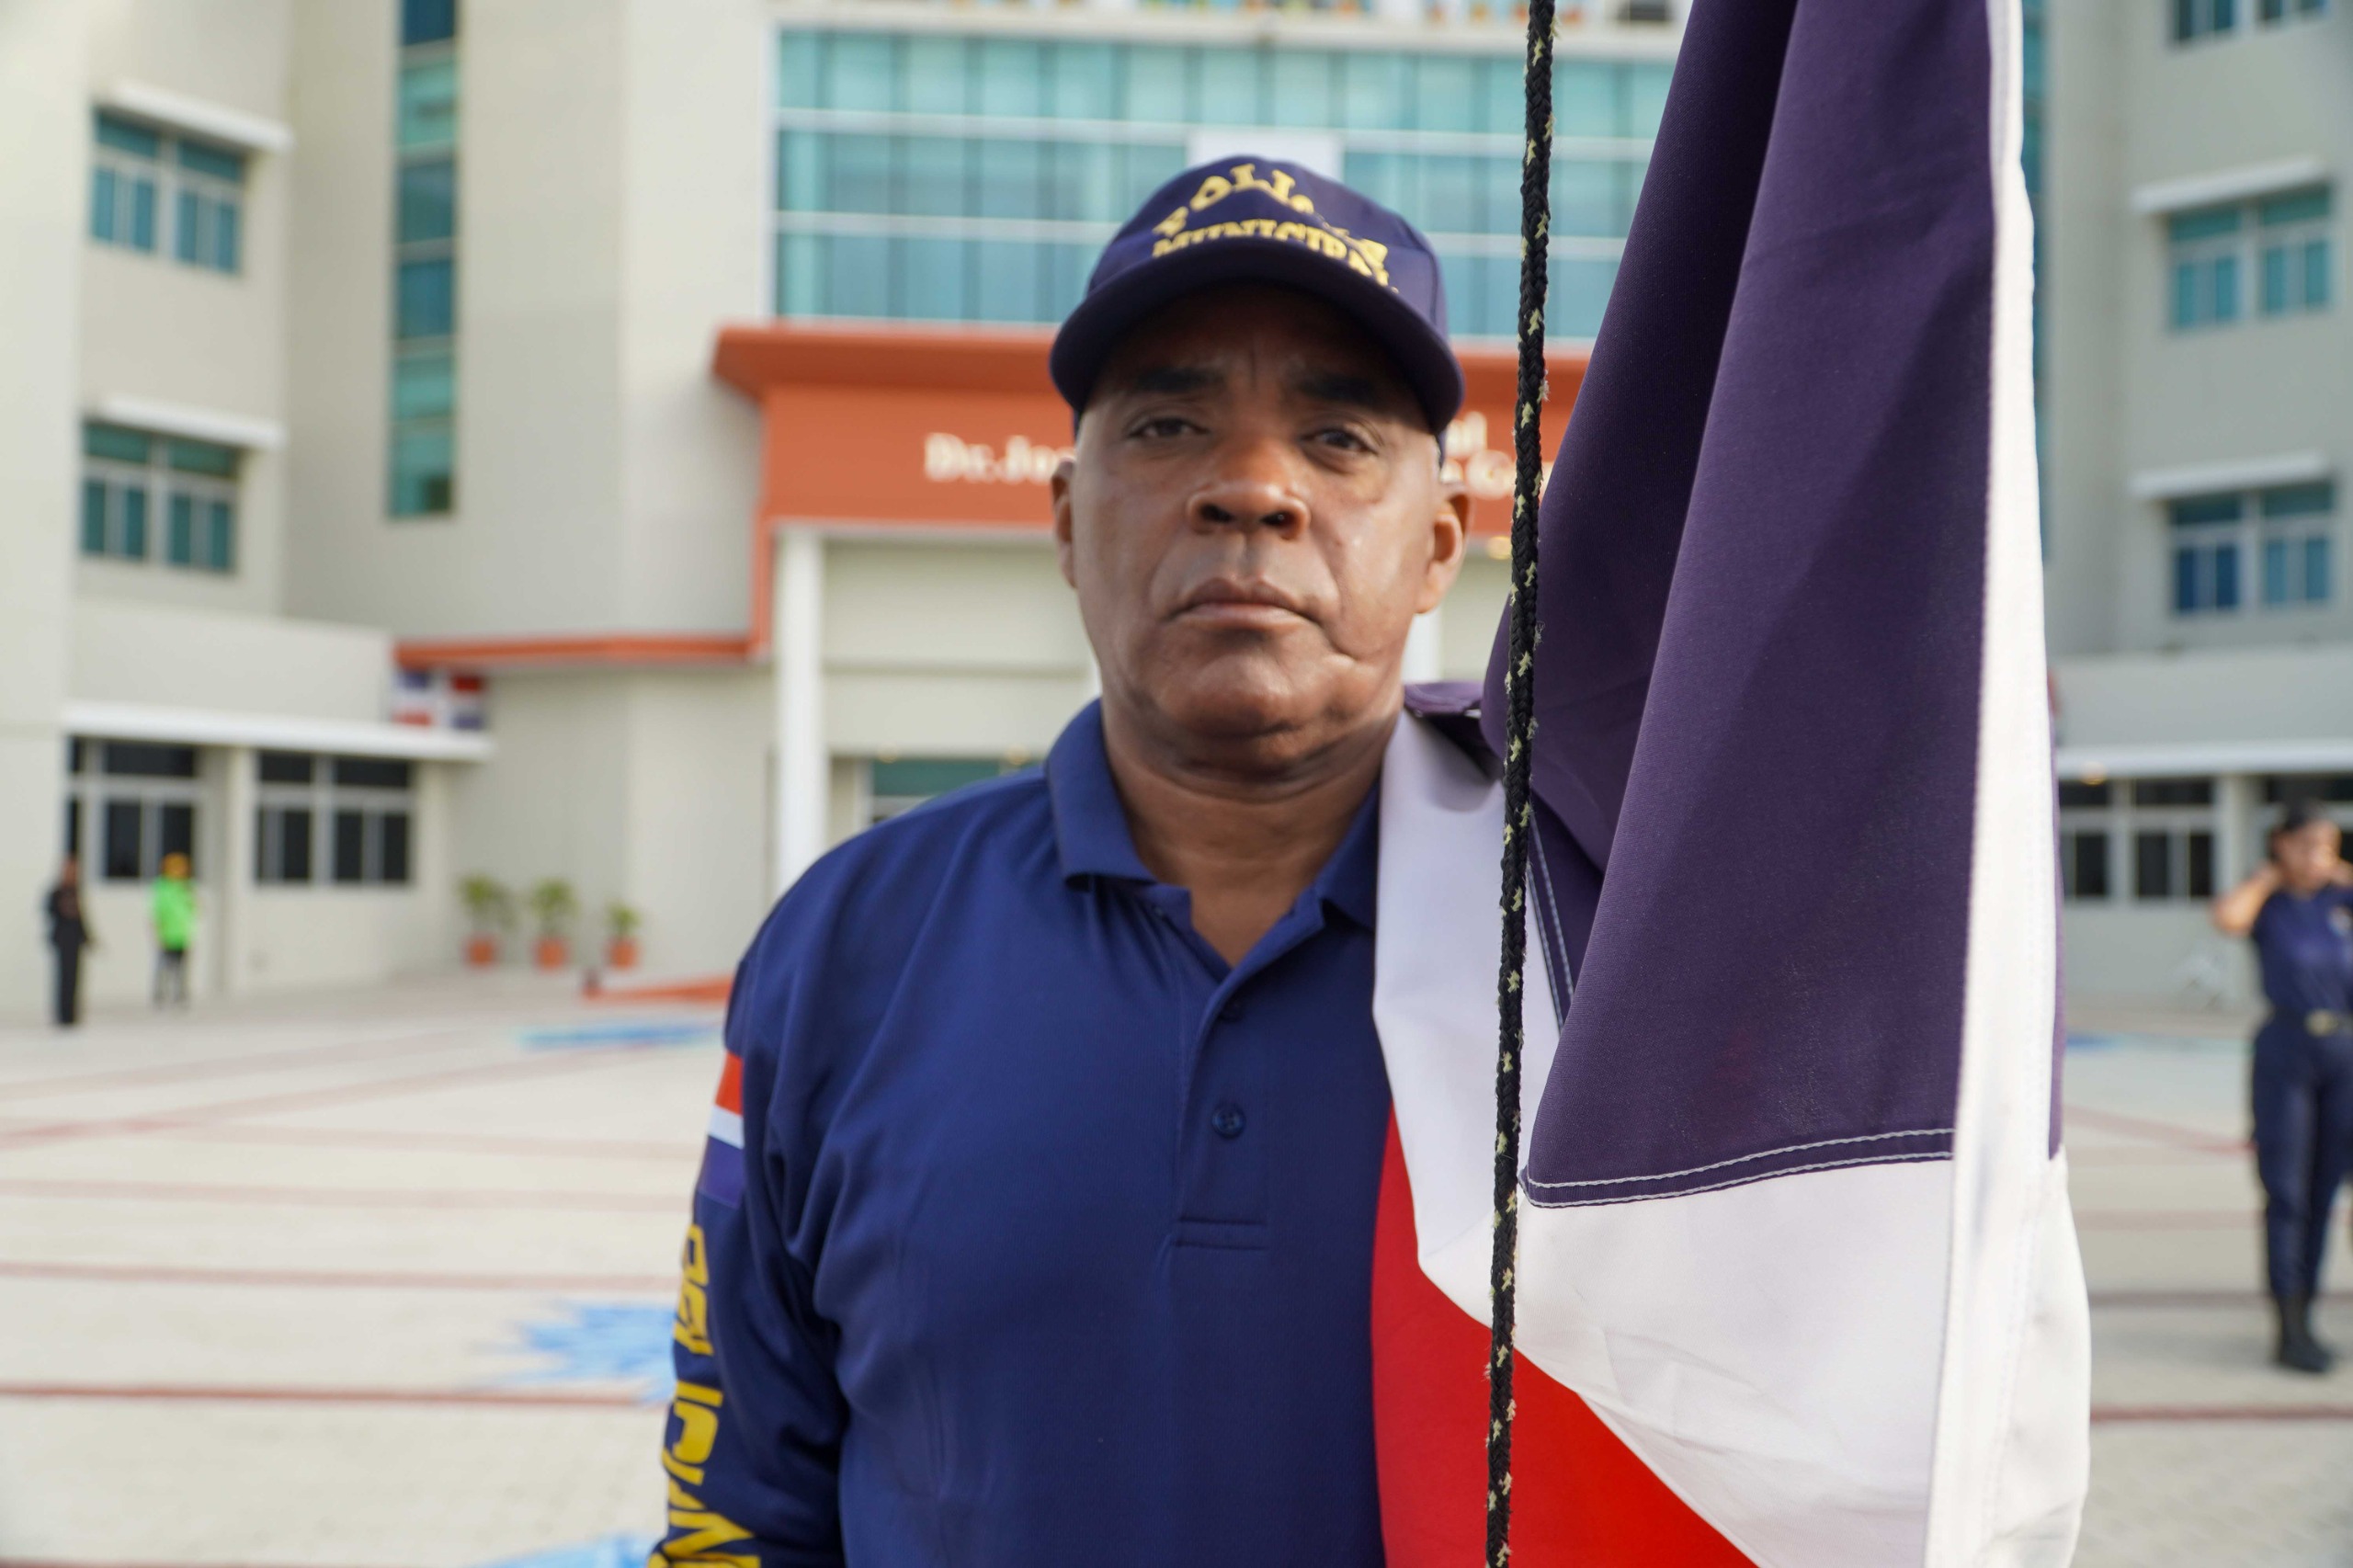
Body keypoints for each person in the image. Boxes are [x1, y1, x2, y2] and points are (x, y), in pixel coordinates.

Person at [2213, 800, 2353, 1374]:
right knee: (2287, 1192)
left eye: (2328, 845)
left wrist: (2337, 872)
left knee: (2324, 1193)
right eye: (2305, 845)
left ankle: (2310, 1318)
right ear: (2281, 844)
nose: (2316, 856)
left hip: (2344, 1053)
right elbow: (2228, 919)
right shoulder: (2268, 904)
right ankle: (2287, 1326)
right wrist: (2270, 874)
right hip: (2286, 1052)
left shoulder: (2339, 900)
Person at [42, 857, 93, 1028]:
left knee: (74, 978)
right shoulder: (57, 892)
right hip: (63, 940)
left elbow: (81, 917)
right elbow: (50, 913)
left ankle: (72, 1014)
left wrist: (87, 937)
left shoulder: (75, 891)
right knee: (63, 978)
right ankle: (62, 1015)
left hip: (75, 940)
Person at [150, 851, 194, 1008]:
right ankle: (160, 994)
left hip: (182, 934)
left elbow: (193, 910)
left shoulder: (186, 887)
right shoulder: (163, 887)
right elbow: (157, 911)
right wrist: (158, 930)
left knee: (181, 968)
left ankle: (179, 994)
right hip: (167, 934)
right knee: (163, 966)